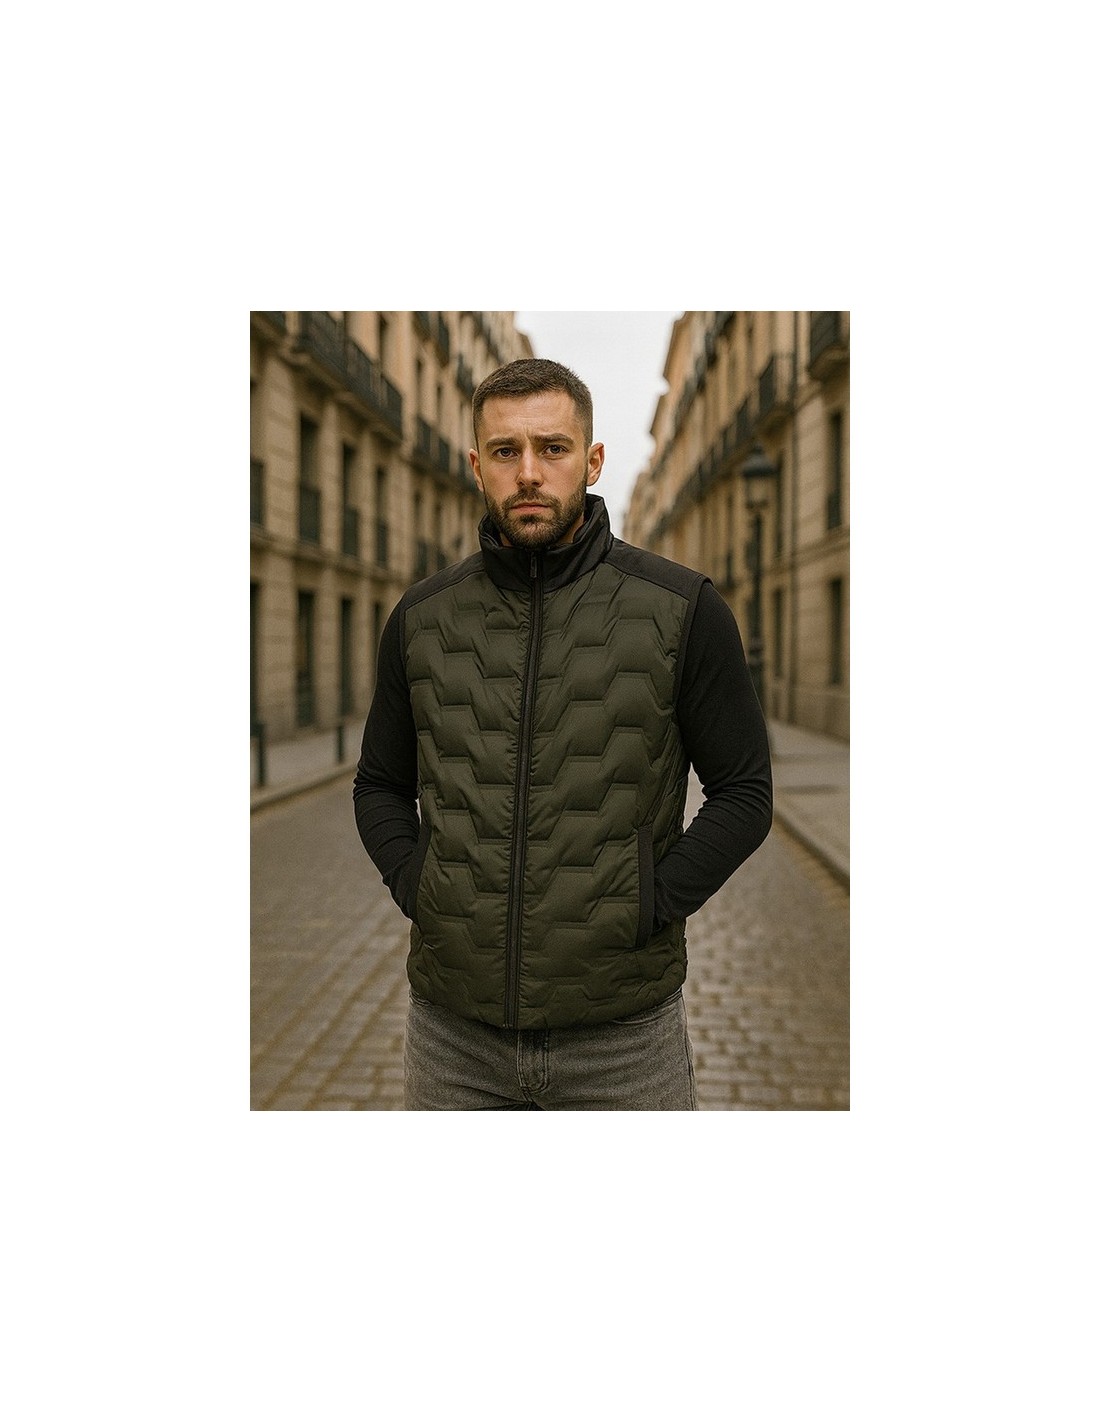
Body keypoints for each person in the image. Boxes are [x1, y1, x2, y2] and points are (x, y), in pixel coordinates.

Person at [353, 358, 772, 1110]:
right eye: (506, 451)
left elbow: (744, 792)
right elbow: (379, 784)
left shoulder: (683, 609)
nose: (529, 473)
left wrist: (649, 903)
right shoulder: (421, 618)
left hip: (625, 1044)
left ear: (593, 459)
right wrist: (420, 889)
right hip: (454, 1043)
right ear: (477, 466)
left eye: (553, 448)